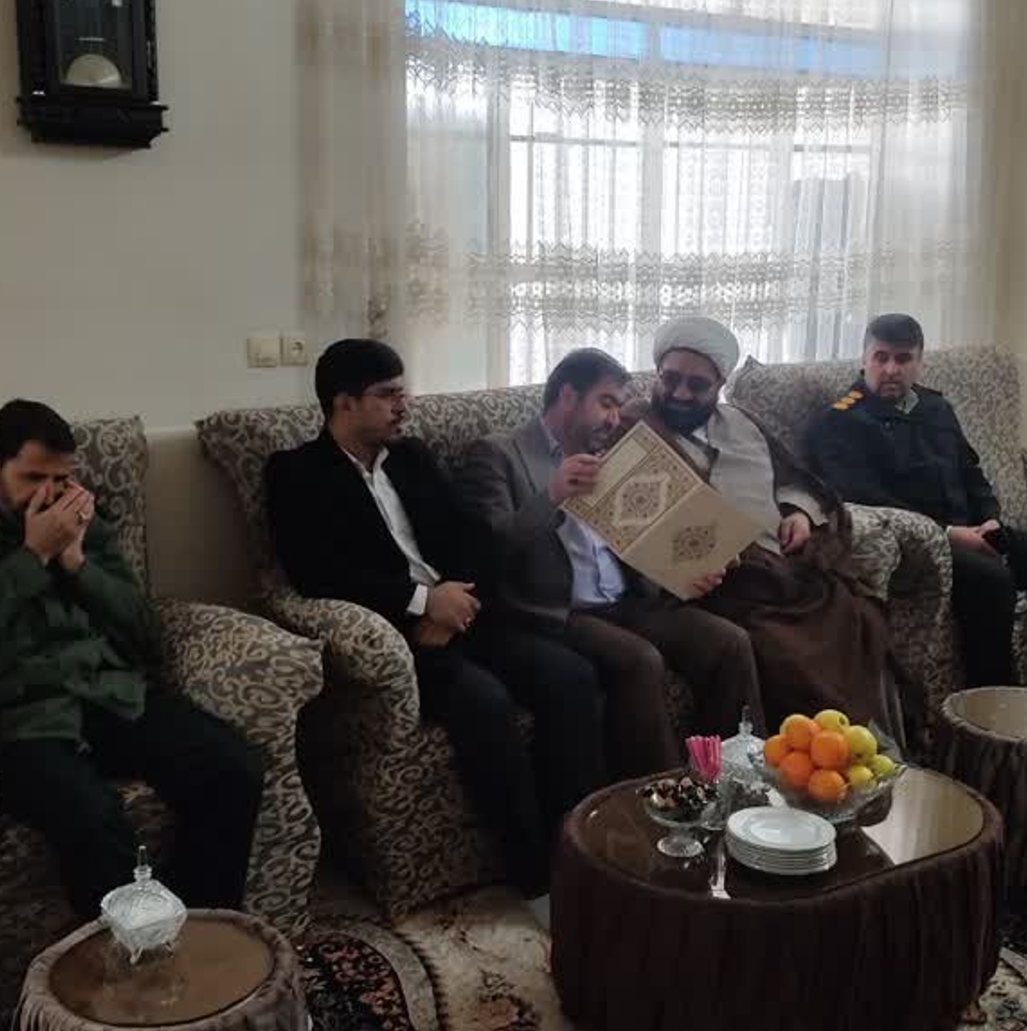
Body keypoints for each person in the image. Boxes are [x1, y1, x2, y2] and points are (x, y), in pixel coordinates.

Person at [0, 400, 264, 918]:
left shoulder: (78, 517)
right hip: (15, 719)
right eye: (33, 477)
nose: (50, 493)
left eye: (61, 478)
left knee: (231, 767)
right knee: (92, 818)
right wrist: (32, 556)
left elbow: (145, 632)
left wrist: (77, 563)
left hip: (105, 694)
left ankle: (195, 927)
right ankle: (129, 958)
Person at [265, 339, 607, 903]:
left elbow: (471, 537)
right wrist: (422, 604)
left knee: (569, 676)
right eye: (388, 395)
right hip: (400, 635)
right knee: (485, 703)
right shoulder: (295, 473)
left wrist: (453, 603)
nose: (404, 406)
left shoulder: (413, 458)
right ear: (344, 403)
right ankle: (537, 883)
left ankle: (579, 852)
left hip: (465, 612)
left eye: (404, 392)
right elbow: (316, 573)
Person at [452, 347, 761, 775]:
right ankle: (663, 797)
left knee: (730, 642)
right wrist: (552, 495)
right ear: (568, 396)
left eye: (618, 407)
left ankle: (731, 780)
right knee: (639, 659)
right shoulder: (499, 454)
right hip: (561, 611)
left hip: (628, 601)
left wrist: (690, 571)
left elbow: (650, 536)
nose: (615, 419)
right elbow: (488, 550)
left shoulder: (618, 454)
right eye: (607, 403)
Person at [634, 316, 903, 741]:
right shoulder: (636, 430)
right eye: (670, 379)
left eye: (697, 385)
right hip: (726, 588)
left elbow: (794, 479)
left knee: (861, 615)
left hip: (784, 571)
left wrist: (798, 513)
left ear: (720, 385)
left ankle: (872, 755)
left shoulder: (742, 422)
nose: (680, 393)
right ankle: (801, 762)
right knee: (785, 652)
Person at [806, 313, 1027, 693]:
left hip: (976, 531)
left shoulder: (935, 408)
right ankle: (994, 706)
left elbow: (970, 472)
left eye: (903, 358)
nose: (891, 369)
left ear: (920, 363)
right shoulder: (840, 423)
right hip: (921, 548)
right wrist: (949, 534)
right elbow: (864, 498)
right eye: (881, 357)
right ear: (864, 359)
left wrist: (991, 518)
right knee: (993, 582)